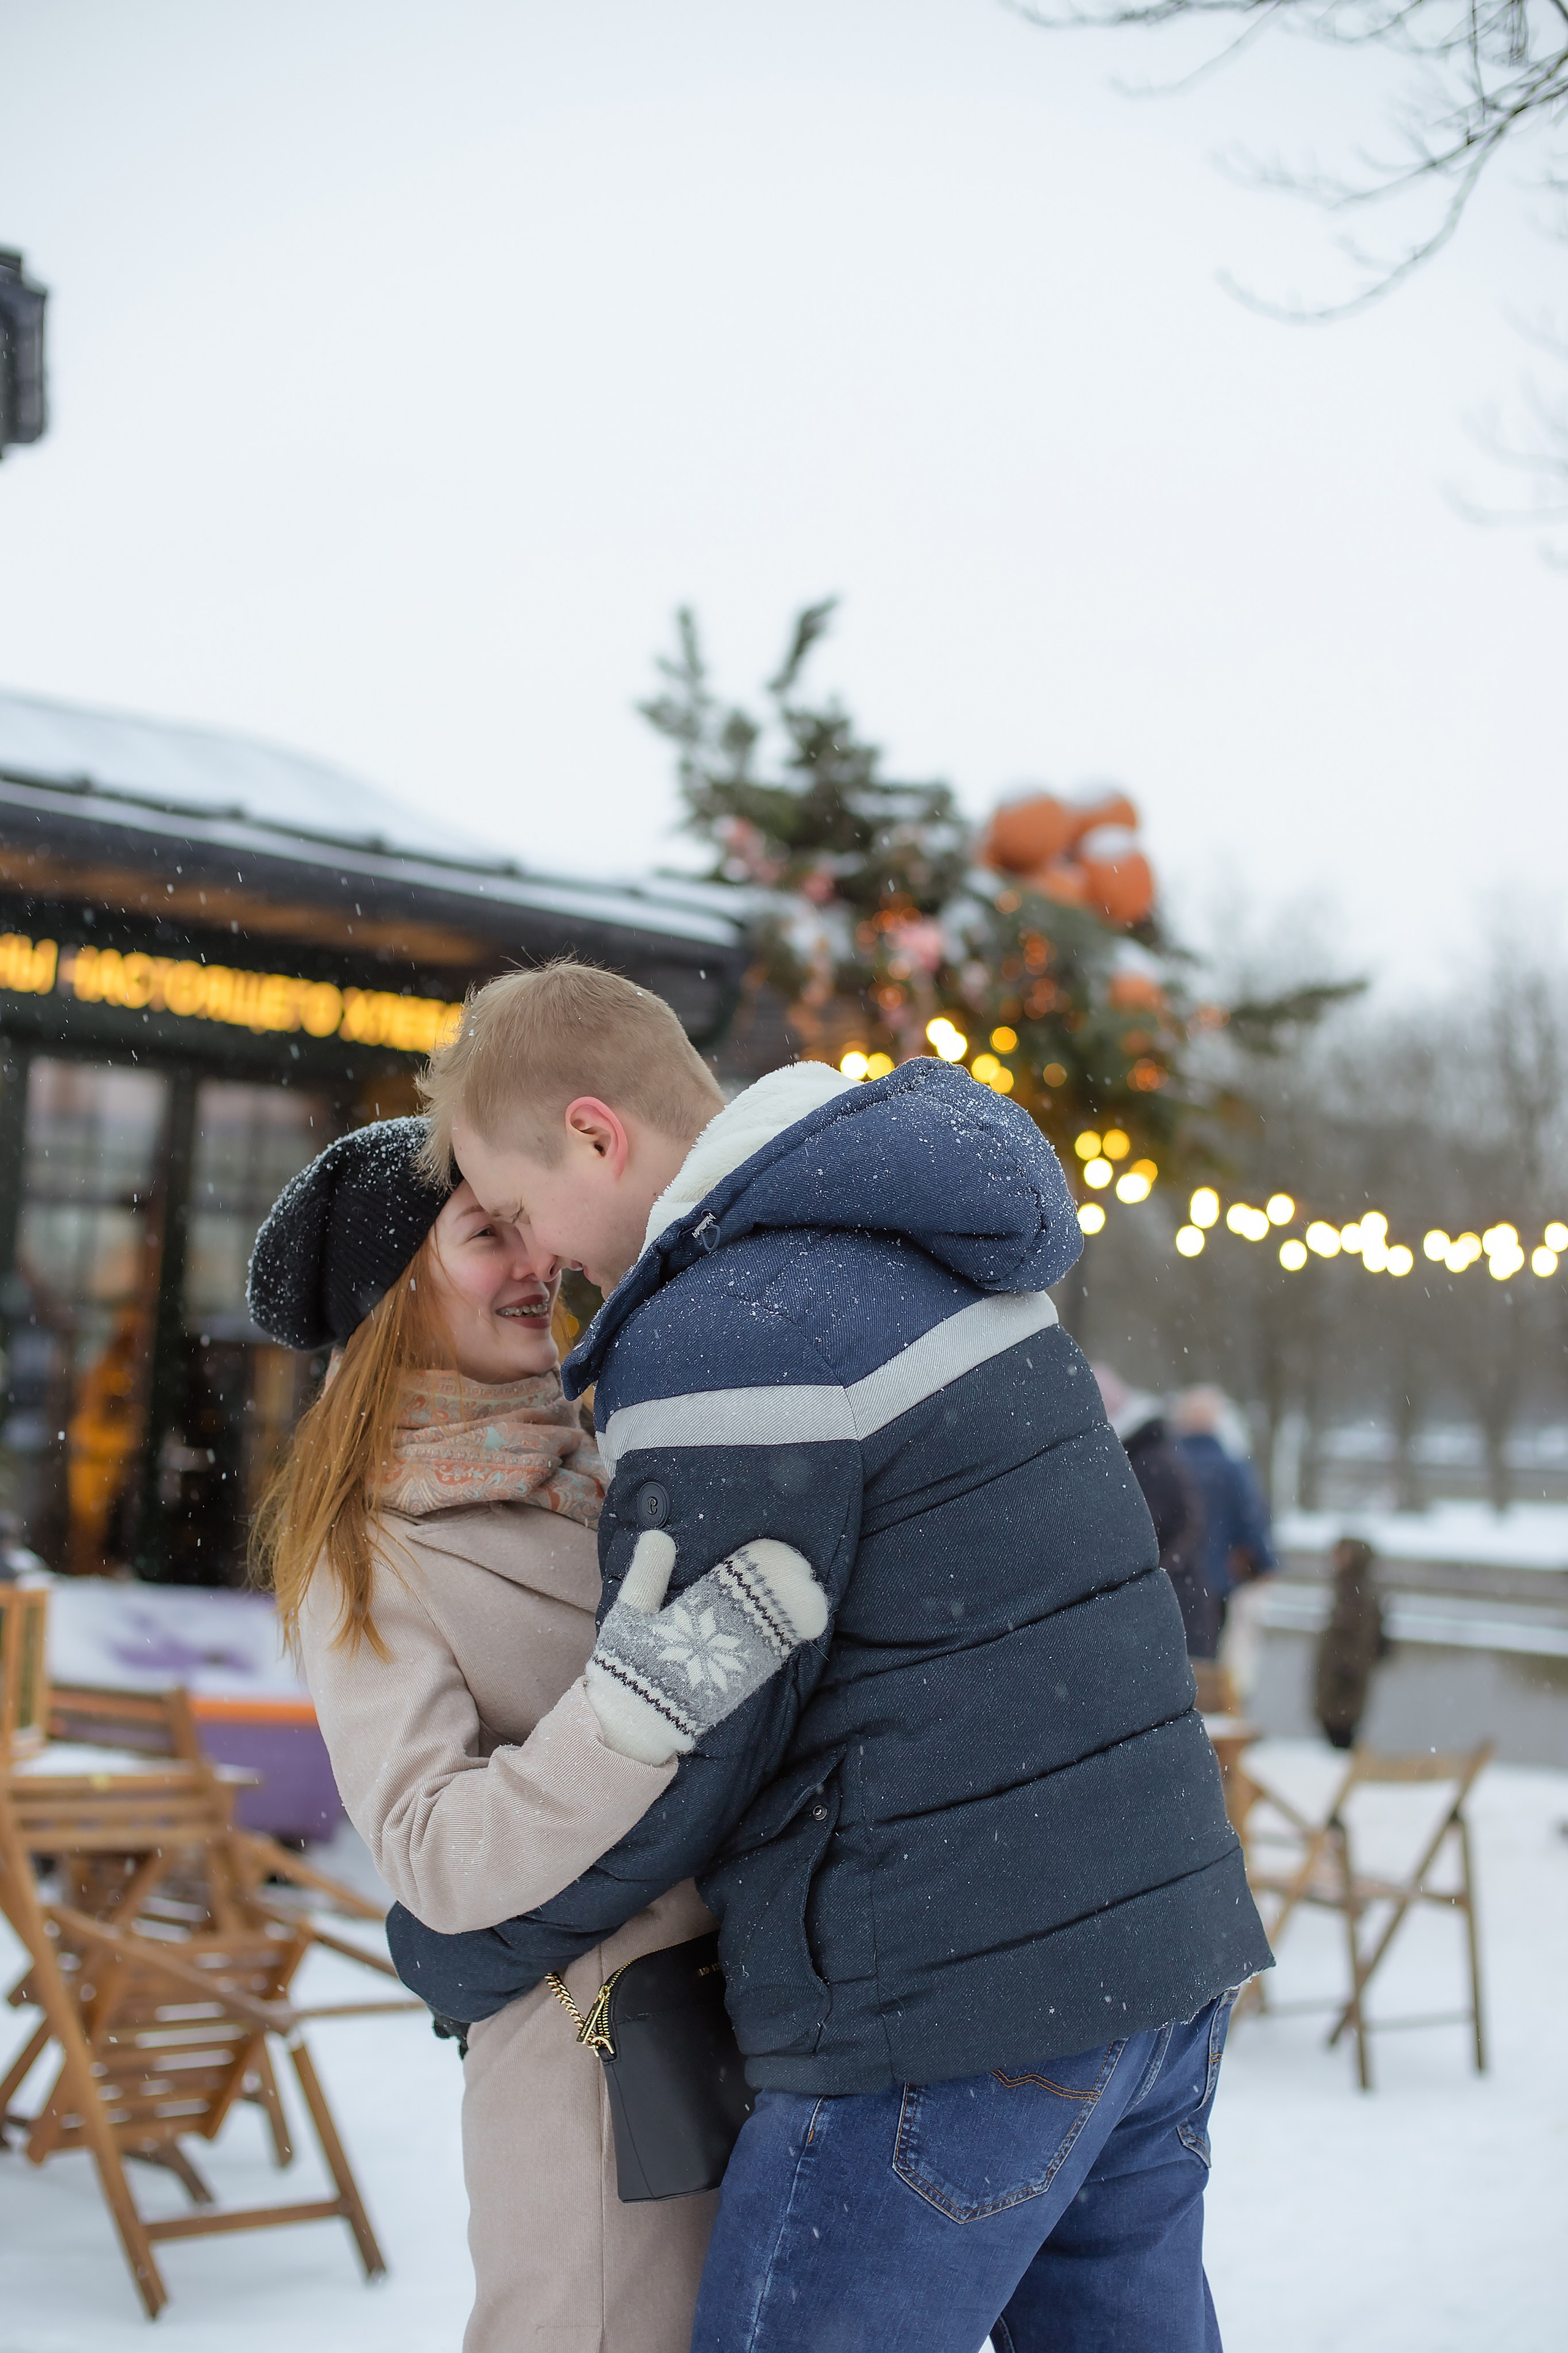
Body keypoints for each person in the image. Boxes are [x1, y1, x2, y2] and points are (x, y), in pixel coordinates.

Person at [385, 962, 1270, 2353]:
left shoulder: (724, 1327)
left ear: (596, 1133)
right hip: (1153, 1970)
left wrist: (478, 1942)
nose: (535, 1254)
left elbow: (695, 1737)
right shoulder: (915, 1244)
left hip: (942, 2015)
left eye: (516, 1204)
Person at [245, 1118, 825, 2353]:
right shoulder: (369, 1552)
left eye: (532, 1224)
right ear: (393, 1299)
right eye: (484, 1235)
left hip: (749, 2022)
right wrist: (635, 1704)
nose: (537, 1261)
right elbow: (432, 1851)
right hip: (599, 2071)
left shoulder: (606, 1455)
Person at [1093, 1364, 1211, 1656]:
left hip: (1167, 1609)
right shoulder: (1151, 1455)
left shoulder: (1143, 1464)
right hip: (1176, 1603)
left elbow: (1140, 1536)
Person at [1173, 1387, 1276, 1666]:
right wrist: (1266, 1564)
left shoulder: (1163, 1463)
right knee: (1207, 1662)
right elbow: (1251, 1518)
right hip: (1216, 1580)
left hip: (1168, 1579)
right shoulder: (1231, 1468)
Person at [1313, 1536, 1389, 1750]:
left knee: (1341, 1737)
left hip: (1344, 1682)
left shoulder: (1360, 1591)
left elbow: (1364, 1639)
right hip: (1338, 1679)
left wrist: (1346, 1667)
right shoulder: (1345, 1587)